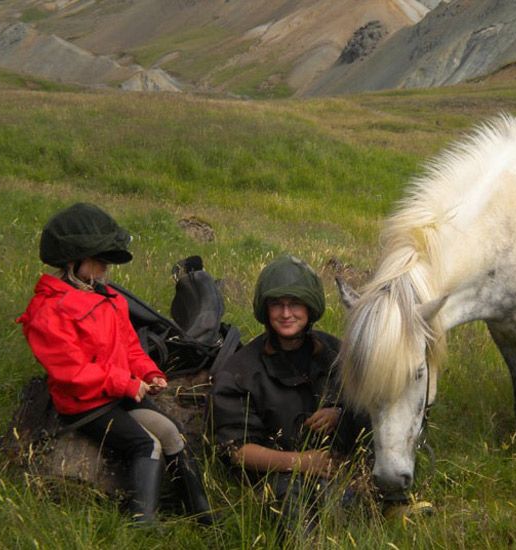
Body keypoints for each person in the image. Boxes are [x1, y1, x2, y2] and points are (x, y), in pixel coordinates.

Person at [18, 202, 215, 525]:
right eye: (100, 259)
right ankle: (143, 522)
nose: (106, 266)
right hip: (85, 404)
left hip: (117, 394)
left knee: (172, 433)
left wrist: (150, 373)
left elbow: (130, 347)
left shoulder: (109, 298)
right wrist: (126, 383)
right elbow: (72, 373)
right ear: (73, 260)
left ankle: (202, 516)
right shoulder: (47, 310)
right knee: (145, 444)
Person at [210, 254, 369, 532]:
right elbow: (237, 450)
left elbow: (371, 405)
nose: (286, 314)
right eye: (277, 305)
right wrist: (302, 462)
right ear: (265, 309)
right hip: (279, 478)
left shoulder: (337, 353)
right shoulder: (240, 371)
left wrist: (339, 412)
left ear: (310, 307)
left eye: (295, 303)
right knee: (294, 511)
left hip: (340, 470)